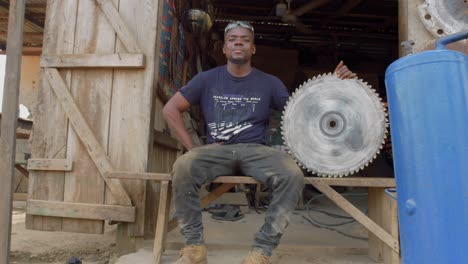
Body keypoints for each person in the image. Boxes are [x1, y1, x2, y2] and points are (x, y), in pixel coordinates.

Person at [163, 21, 356, 264]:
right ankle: (194, 248)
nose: (238, 42)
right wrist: (193, 147)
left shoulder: (270, 83)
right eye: (233, 39)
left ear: (253, 49)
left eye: (245, 39)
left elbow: (301, 113)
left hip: (256, 150)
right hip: (217, 150)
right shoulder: (206, 79)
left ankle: (261, 251)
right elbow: (171, 108)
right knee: (183, 166)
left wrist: (333, 86)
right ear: (224, 48)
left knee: (291, 174)